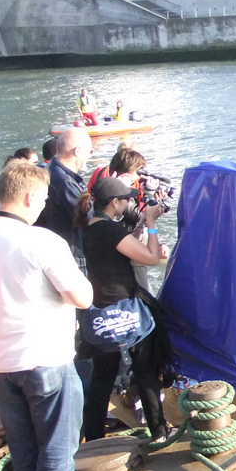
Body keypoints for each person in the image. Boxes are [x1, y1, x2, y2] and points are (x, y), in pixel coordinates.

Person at [0, 160, 103, 471]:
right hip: (45, 360)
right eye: (44, 199)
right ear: (30, 197)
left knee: (24, 450)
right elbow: (82, 297)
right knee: (56, 450)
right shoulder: (42, 241)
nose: (44, 206)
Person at [75, 177, 171, 443]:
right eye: (127, 199)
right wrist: (151, 223)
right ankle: (159, 432)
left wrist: (139, 226)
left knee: (102, 378)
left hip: (100, 314)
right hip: (127, 311)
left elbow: (119, 251)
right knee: (146, 371)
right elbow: (150, 258)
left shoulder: (86, 227)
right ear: (114, 203)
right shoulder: (110, 230)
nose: (130, 202)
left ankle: (94, 437)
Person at [36, 127, 92, 258]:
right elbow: (89, 218)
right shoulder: (65, 183)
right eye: (90, 151)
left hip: (51, 247)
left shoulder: (50, 169)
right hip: (68, 251)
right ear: (77, 151)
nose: (90, 155)